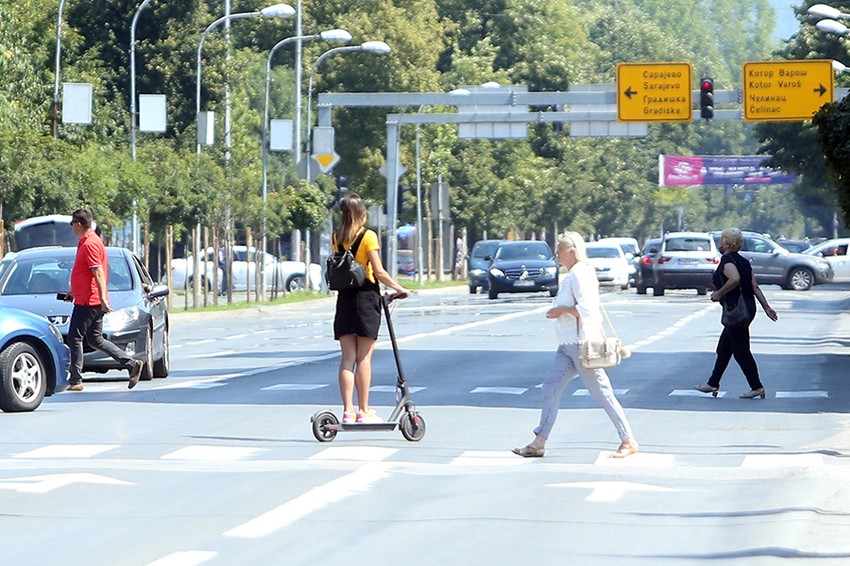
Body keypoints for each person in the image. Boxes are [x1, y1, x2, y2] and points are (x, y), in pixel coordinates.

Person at [513, 230, 638, 459]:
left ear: (572, 251)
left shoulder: (580, 273)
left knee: (602, 392)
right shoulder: (574, 273)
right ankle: (539, 441)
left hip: (582, 343)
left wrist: (561, 310)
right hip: (567, 344)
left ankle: (628, 439)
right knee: (550, 387)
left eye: (559, 249)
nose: (556, 253)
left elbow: (587, 308)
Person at [332, 193, 410, 424]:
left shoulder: (336, 237)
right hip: (365, 299)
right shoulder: (368, 236)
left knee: (347, 358)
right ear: (361, 213)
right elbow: (379, 272)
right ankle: (363, 410)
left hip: (344, 299)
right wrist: (400, 288)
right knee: (364, 358)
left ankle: (347, 410)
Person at [64, 209, 144, 391]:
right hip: (87, 297)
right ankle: (131, 364)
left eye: (72, 224)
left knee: (75, 337)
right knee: (94, 339)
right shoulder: (87, 241)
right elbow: (86, 274)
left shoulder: (90, 243)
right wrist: (74, 291)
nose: (72, 228)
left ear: (78, 224)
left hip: (89, 301)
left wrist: (101, 298)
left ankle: (75, 380)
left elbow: (98, 272)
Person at [695, 228, 778, 399]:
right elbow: (754, 286)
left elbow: (735, 279)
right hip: (747, 309)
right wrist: (766, 307)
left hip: (736, 311)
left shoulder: (727, 260)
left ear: (726, 243)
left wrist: (719, 293)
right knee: (724, 348)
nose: (720, 244)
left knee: (741, 351)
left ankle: (757, 386)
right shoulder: (744, 261)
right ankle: (713, 383)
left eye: (722, 240)